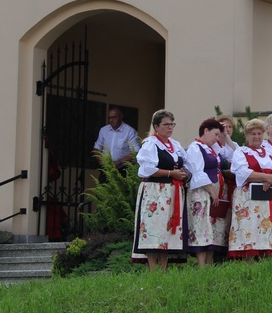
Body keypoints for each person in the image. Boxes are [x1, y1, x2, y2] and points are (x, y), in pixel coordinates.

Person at [132, 109, 189, 271]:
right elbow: (146, 169)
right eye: (166, 124)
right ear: (156, 127)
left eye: (172, 124)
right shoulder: (150, 144)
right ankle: (153, 269)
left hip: (172, 191)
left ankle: (163, 268)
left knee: (166, 230)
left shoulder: (175, 145)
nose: (170, 127)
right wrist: (171, 173)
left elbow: (186, 163)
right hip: (155, 191)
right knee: (153, 227)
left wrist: (185, 173)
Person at [228, 118, 272, 259]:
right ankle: (249, 260)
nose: (256, 137)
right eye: (252, 134)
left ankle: (269, 259)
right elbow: (243, 172)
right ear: (247, 136)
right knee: (251, 227)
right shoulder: (241, 152)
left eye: (259, 133)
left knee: (270, 229)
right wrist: (266, 177)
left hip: (271, 197)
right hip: (250, 198)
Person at [184, 118, 228, 266]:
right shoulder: (195, 147)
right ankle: (201, 264)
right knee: (201, 226)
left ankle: (209, 263)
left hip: (213, 192)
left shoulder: (211, 149)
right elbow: (198, 172)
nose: (216, 138)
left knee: (212, 228)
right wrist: (212, 191)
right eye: (215, 134)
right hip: (201, 192)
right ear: (206, 131)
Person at [93, 107, 140, 181]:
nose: (111, 120)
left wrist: (118, 162)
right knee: (103, 191)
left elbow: (136, 152)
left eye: (114, 117)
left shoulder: (129, 131)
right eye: (109, 118)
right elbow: (97, 148)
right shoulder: (104, 130)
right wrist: (100, 160)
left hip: (123, 170)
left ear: (121, 117)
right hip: (106, 169)